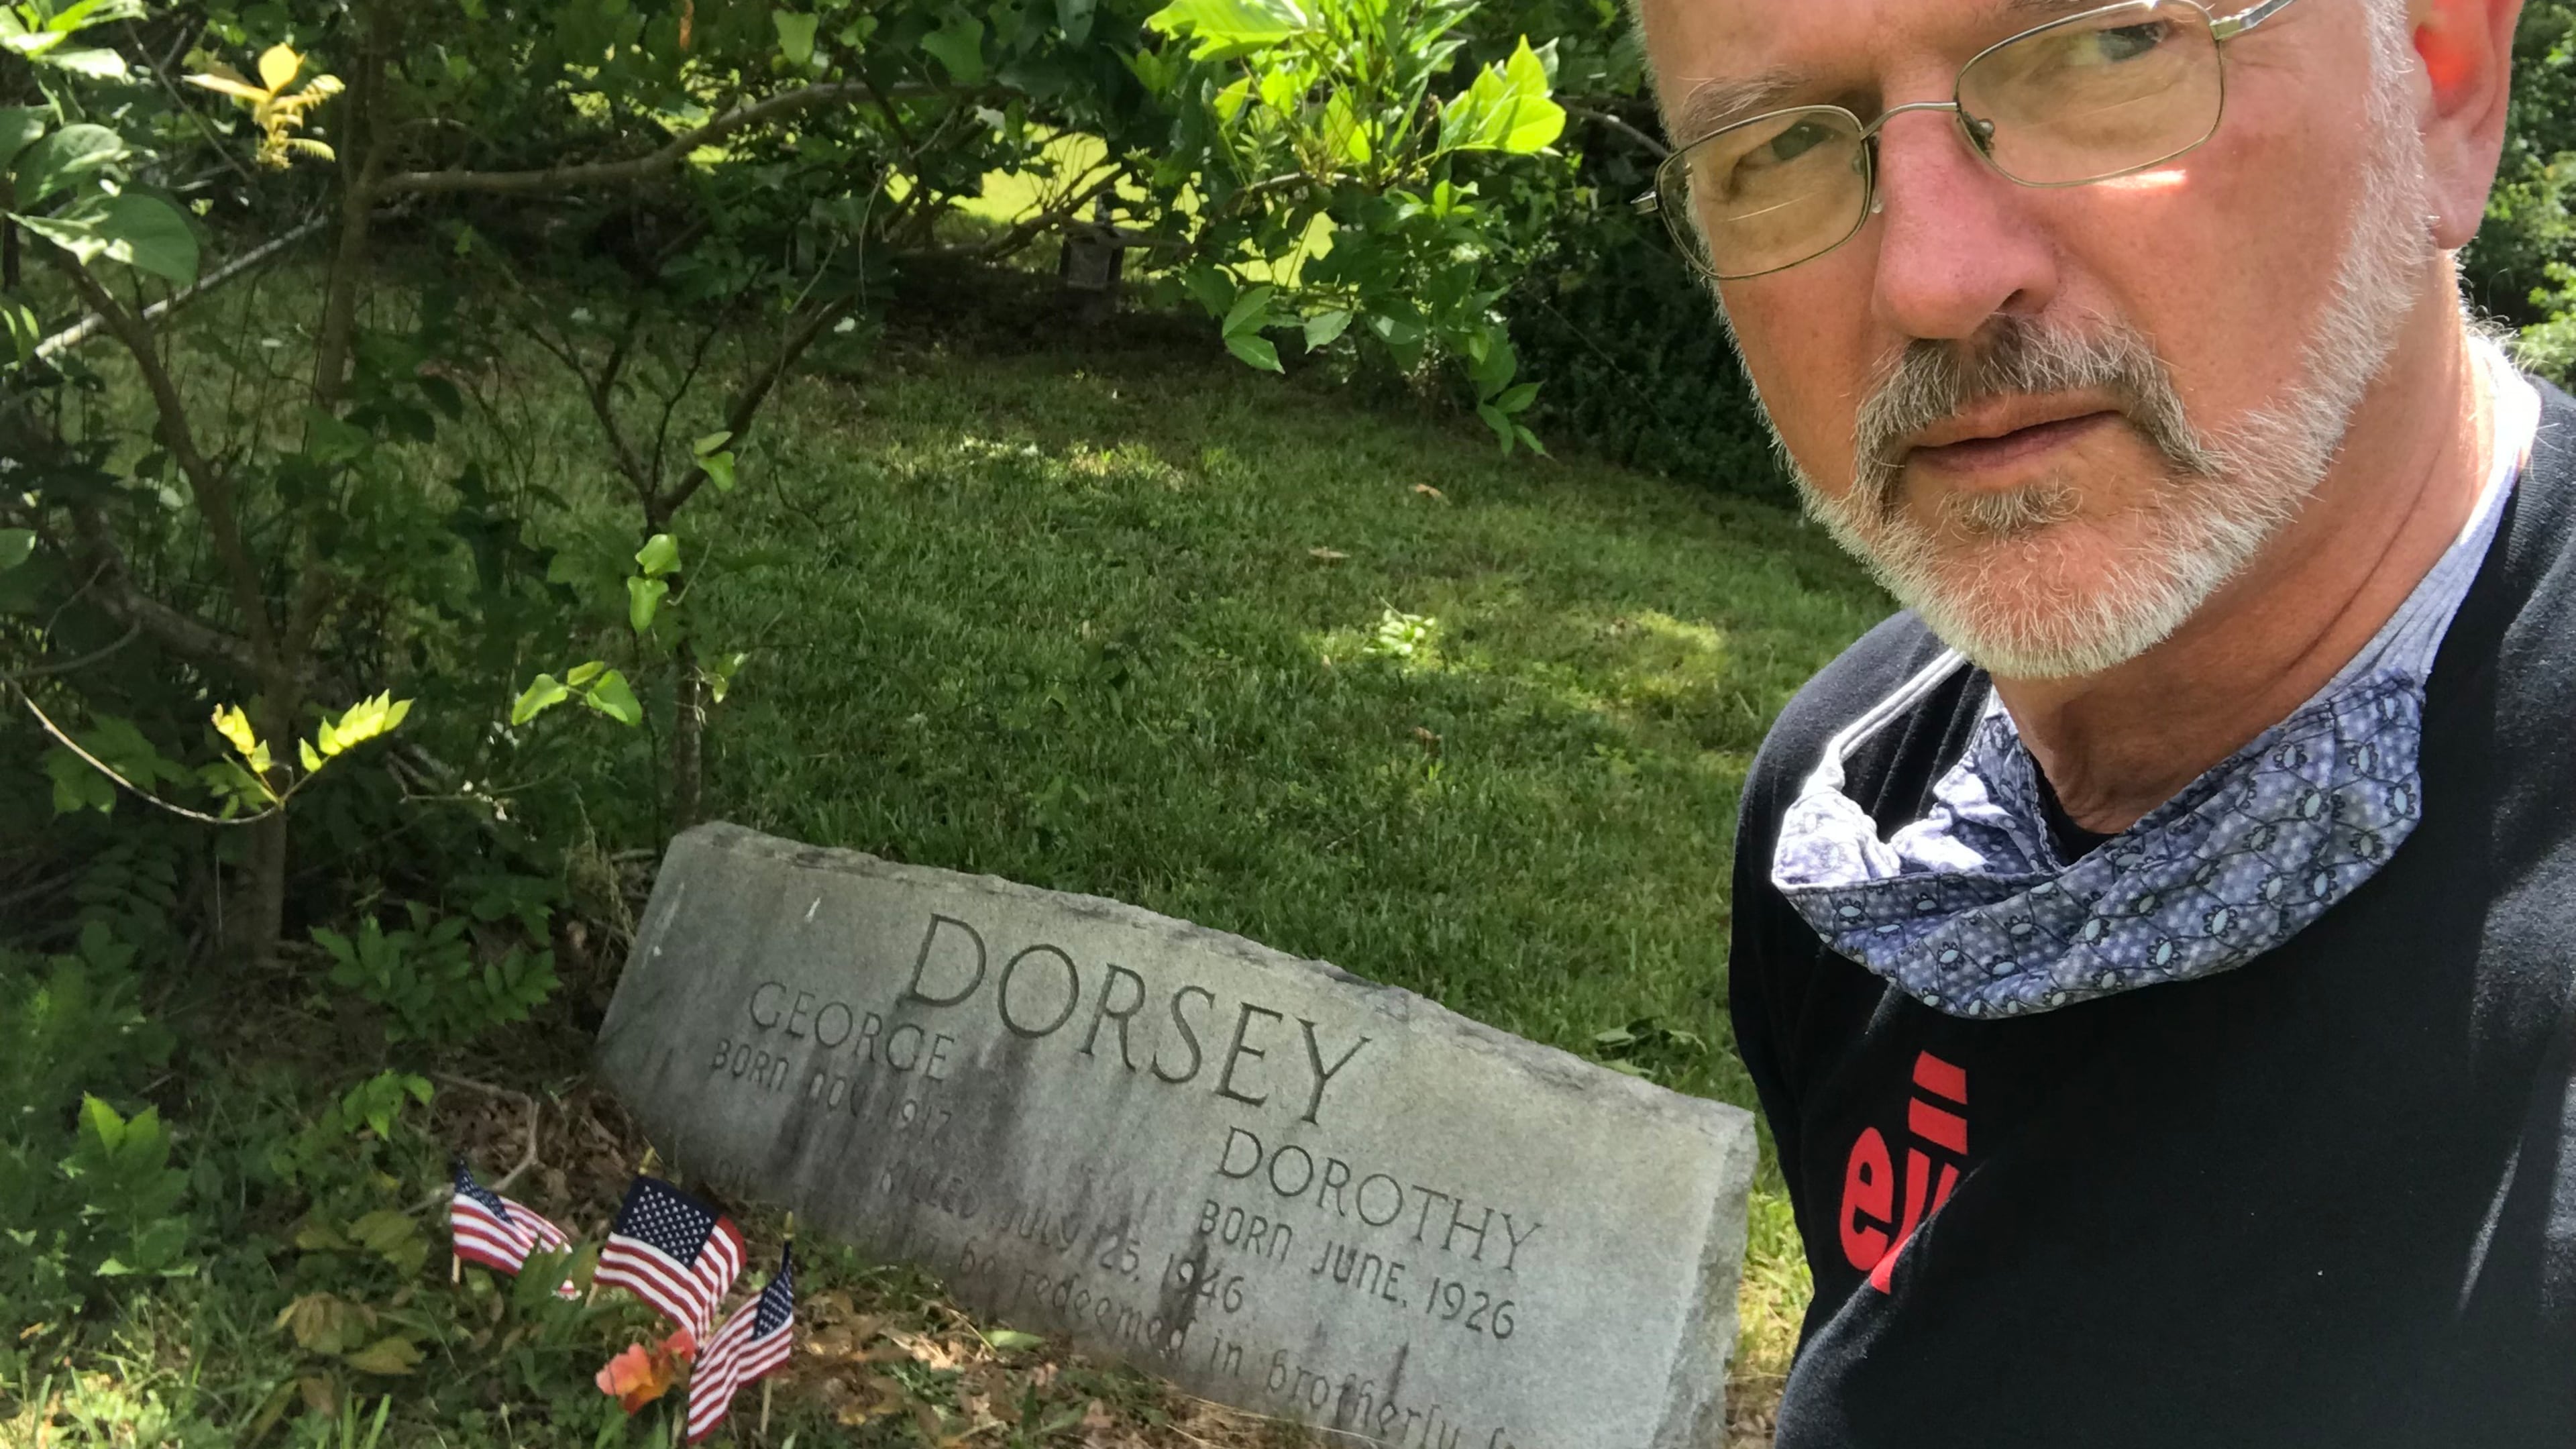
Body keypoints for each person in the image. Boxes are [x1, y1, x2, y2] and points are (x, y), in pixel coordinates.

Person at [1629, 0, 2575, 1440]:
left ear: (2444, 82)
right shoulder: (1852, 827)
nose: (1936, 277)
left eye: (2110, 47)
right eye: (1774, 148)